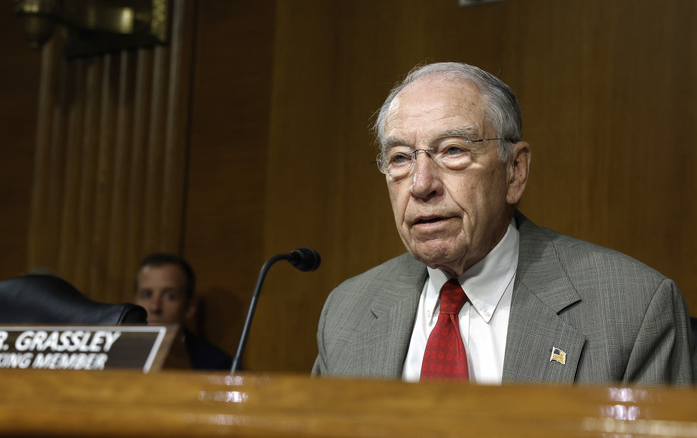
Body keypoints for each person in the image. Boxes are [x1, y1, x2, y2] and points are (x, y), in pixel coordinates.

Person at [312, 62, 696, 385]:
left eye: (453, 151)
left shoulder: (634, 308)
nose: (421, 184)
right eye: (400, 158)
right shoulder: (347, 312)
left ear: (515, 171)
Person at [134, 253, 233, 370]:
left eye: (169, 296)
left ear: (189, 308)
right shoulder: (113, 354)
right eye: (147, 294)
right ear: (135, 302)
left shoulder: (218, 366)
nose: (155, 307)